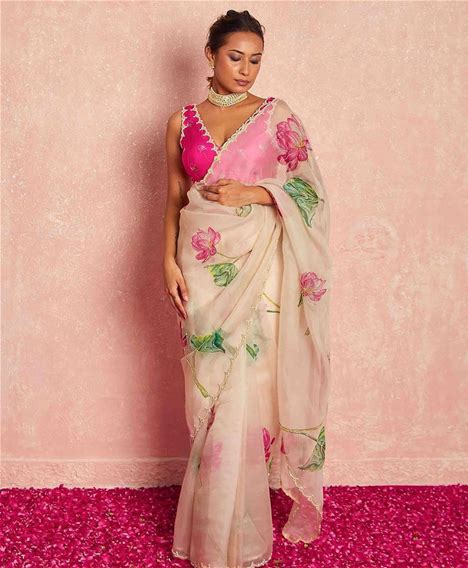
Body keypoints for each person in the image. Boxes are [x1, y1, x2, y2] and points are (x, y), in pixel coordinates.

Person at [163, 9, 332, 568]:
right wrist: (166, 262)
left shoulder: (276, 115)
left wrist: (257, 194)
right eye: (235, 57)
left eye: (255, 60)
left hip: (257, 269)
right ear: (209, 55)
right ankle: (213, 522)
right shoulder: (181, 122)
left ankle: (231, 536)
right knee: (206, 389)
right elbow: (174, 197)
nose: (246, 69)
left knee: (243, 387)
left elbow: (310, 192)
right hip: (199, 266)